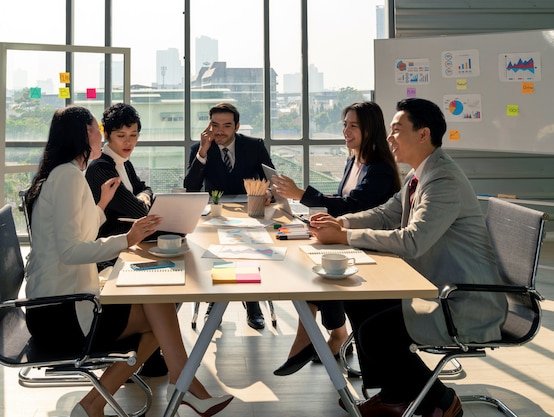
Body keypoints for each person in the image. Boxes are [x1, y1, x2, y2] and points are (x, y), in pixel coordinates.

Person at [292, 98, 507, 417]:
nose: (389, 137)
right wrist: (344, 222)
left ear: (423, 134)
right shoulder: (421, 174)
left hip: (465, 300)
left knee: (376, 332)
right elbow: (386, 213)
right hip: (438, 287)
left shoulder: (442, 180)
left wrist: (345, 236)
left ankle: (443, 401)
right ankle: (395, 393)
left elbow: (413, 241)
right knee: (359, 299)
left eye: (396, 130)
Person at [24, 105, 233, 417]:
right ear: (85, 135)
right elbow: (70, 251)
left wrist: (102, 205)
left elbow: (81, 232)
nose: (101, 135)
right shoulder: (67, 177)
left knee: (155, 313)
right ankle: (182, 382)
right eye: (96, 129)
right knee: (156, 308)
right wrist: (129, 238)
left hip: (62, 303)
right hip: (61, 312)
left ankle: (99, 403)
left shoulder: (66, 174)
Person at [270, 101, 400, 374]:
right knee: (313, 262)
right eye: (344, 124)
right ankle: (333, 334)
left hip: (373, 247)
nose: (345, 131)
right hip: (350, 237)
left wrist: (302, 195)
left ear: (370, 129)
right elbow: (341, 200)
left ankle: (321, 337)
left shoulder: (380, 169)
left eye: (353, 125)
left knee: (320, 267)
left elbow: (352, 205)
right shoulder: (354, 159)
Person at [84, 103, 166, 378]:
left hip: (128, 246)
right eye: (122, 136)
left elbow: (146, 190)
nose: (129, 142)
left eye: (134, 135)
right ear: (107, 135)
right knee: (169, 281)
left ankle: (150, 356)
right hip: (109, 255)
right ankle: (142, 354)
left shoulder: (122, 162)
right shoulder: (101, 169)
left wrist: (143, 197)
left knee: (170, 276)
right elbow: (140, 210)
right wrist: (143, 200)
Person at [184, 102, 274, 330]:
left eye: (226, 125)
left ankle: (252, 302)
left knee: (248, 248)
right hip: (213, 215)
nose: (220, 131)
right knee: (216, 250)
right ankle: (215, 303)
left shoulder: (254, 146)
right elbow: (191, 187)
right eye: (215, 125)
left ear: (237, 126)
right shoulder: (199, 149)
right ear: (208, 126)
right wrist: (203, 151)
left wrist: (269, 193)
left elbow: (272, 178)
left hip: (249, 214)